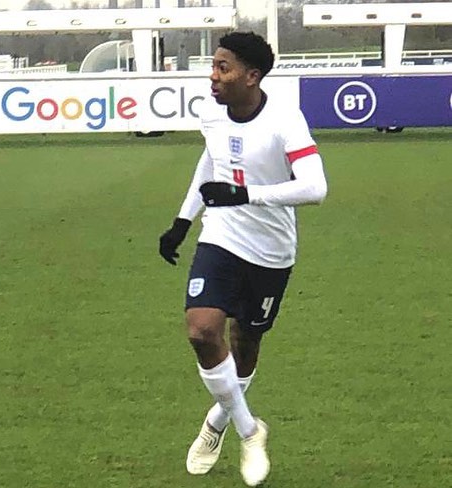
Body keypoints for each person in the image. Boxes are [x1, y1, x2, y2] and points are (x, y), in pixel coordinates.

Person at [158, 32, 328, 487]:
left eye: (224, 68)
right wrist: (182, 219)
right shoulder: (210, 111)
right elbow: (210, 161)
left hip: (271, 252)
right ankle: (250, 431)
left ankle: (217, 421)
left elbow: (315, 187)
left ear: (253, 76)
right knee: (202, 330)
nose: (213, 76)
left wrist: (246, 195)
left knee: (245, 344)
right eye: (213, 65)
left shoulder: (284, 120)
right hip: (220, 238)